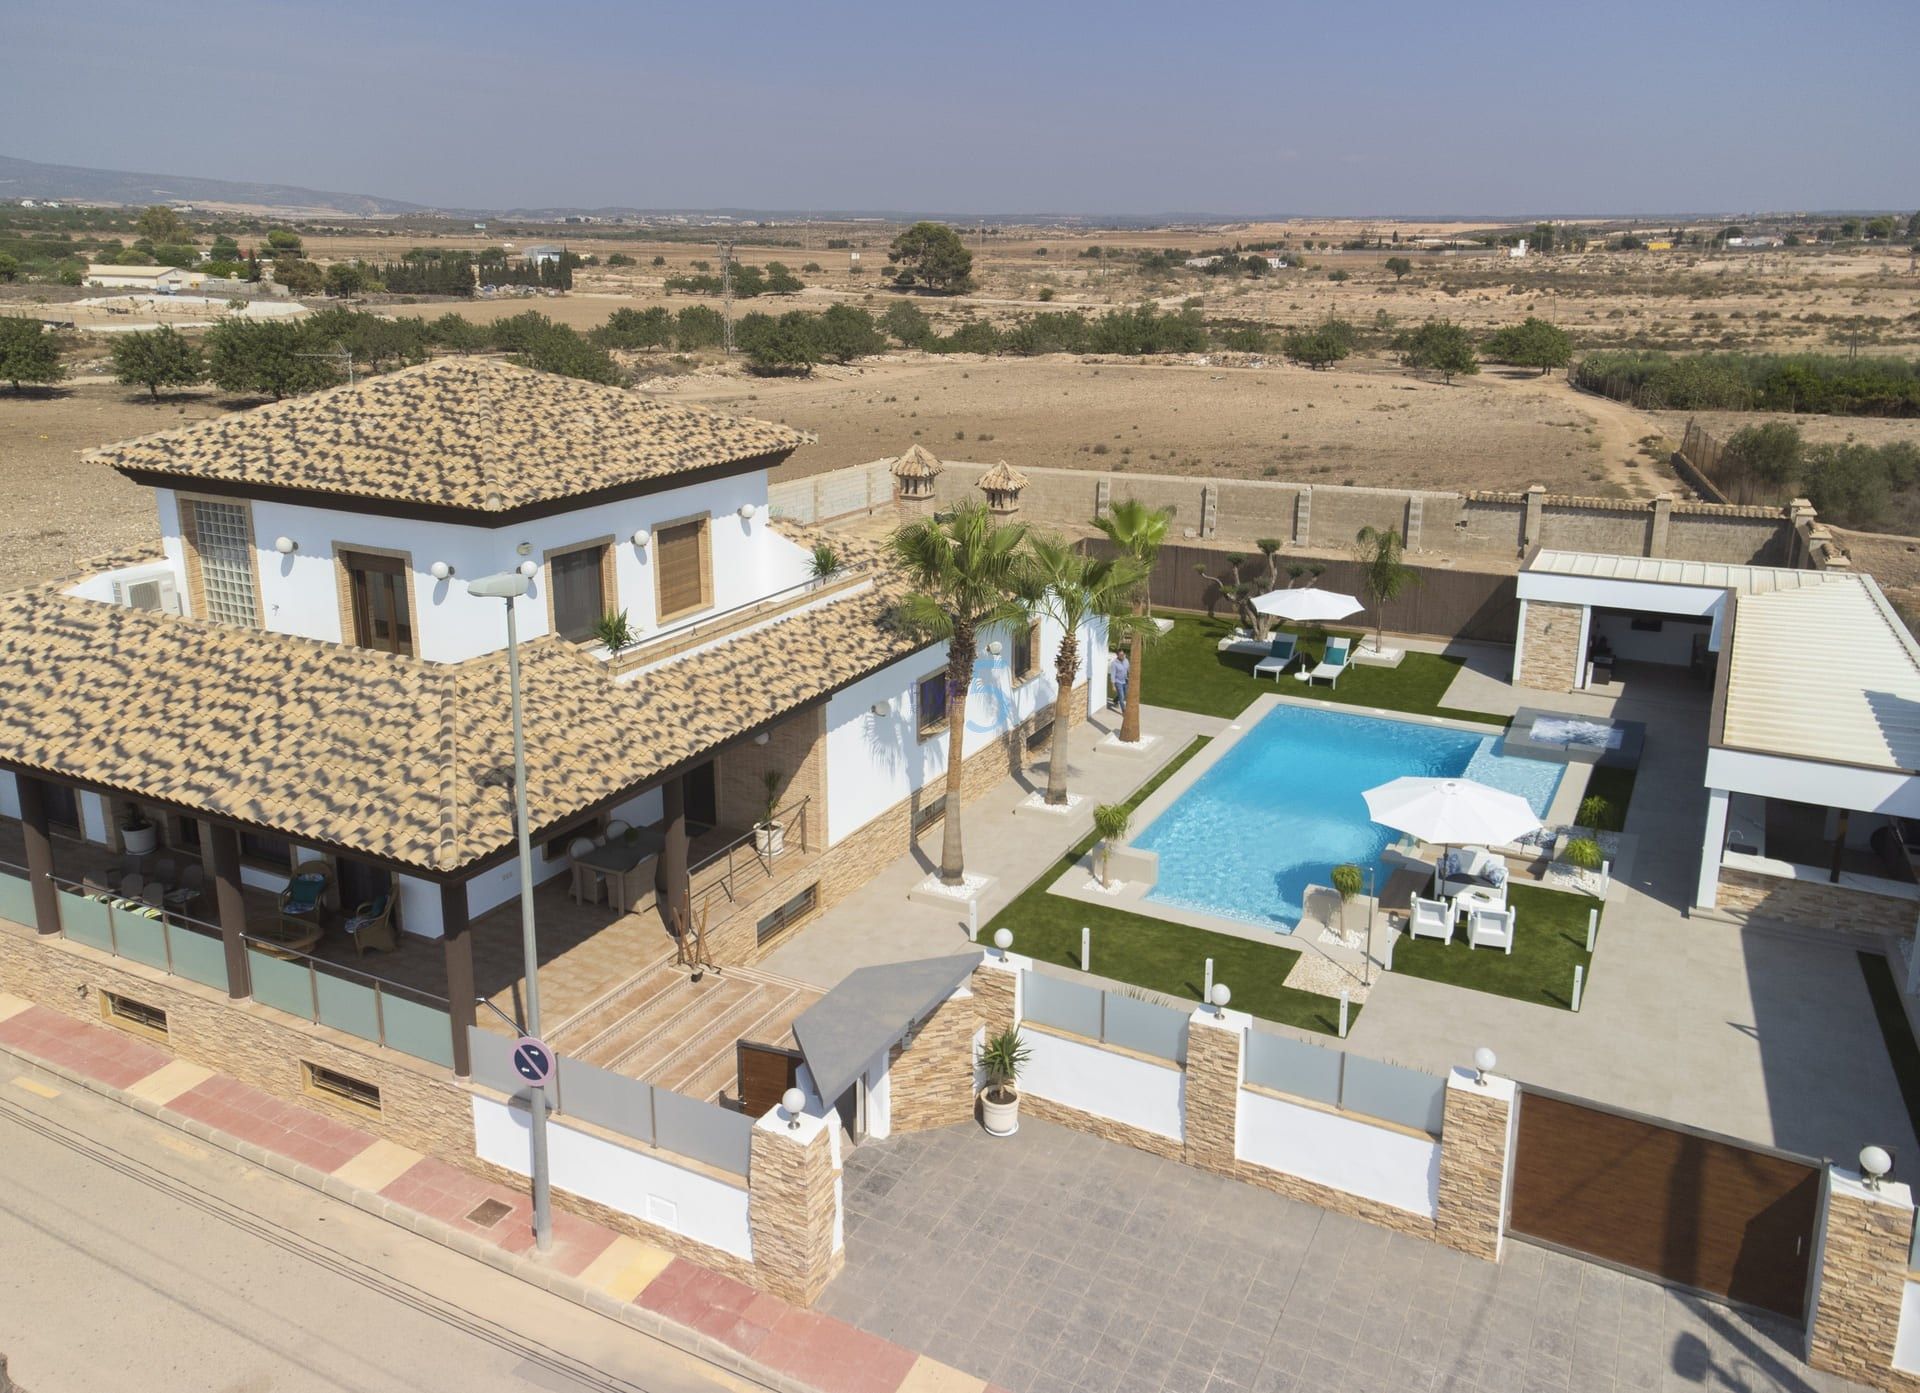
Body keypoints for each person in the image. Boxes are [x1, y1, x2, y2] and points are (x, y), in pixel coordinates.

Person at [1109, 648, 1131, 712]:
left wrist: (1130, 677)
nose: (1122, 656)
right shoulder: (1114, 663)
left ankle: (1115, 700)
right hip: (1118, 682)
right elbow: (1112, 675)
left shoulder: (1126, 660)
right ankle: (1124, 711)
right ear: (1117, 655)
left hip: (1125, 680)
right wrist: (1113, 685)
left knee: (1124, 694)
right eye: (1120, 655)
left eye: (1123, 654)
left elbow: (1129, 669)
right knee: (1122, 697)